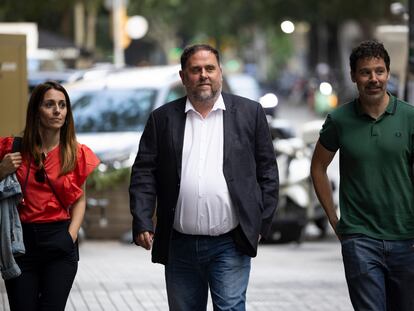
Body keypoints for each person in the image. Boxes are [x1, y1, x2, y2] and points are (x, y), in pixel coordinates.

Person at [129, 44, 278, 310]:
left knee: (230, 307)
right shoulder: (161, 119)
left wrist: (260, 224)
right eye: (195, 70)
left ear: (220, 72)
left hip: (230, 242)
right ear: (183, 76)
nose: (203, 75)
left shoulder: (250, 113)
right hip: (179, 245)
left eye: (210, 68)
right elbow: (143, 173)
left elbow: (267, 172)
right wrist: (142, 219)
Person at [311, 40, 414, 311]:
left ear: (388, 74)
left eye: (379, 71)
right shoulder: (339, 120)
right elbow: (318, 168)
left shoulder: (409, 117)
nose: (373, 78)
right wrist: (334, 219)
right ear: (354, 76)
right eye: (366, 72)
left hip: (406, 237)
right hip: (359, 238)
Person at [0, 81, 100, 311]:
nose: (57, 110)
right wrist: (2, 170)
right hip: (20, 243)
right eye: (50, 104)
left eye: (62, 105)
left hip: (59, 241)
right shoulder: (12, 148)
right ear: (36, 111)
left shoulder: (77, 153)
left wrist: (70, 237)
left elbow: (79, 200)